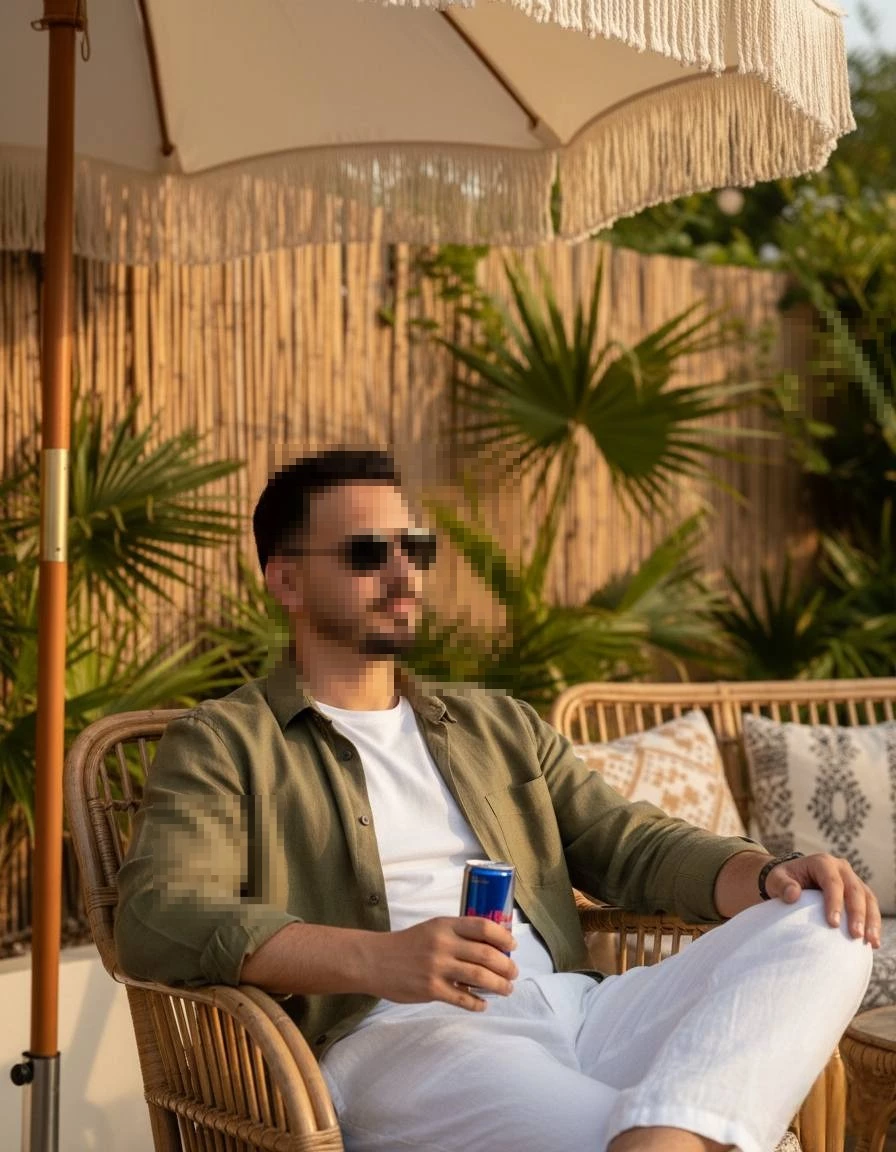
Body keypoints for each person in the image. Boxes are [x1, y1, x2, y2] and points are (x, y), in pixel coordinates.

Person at [115, 448, 877, 1152]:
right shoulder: (224, 743)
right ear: (286, 582)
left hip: (580, 1009)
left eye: (414, 549)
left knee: (827, 923)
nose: (403, 575)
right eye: (366, 554)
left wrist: (770, 874)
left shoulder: (496, 725)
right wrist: (380, 960)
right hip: (407, 1040)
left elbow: (632, 846)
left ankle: (664, 1136)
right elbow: (159, 916)